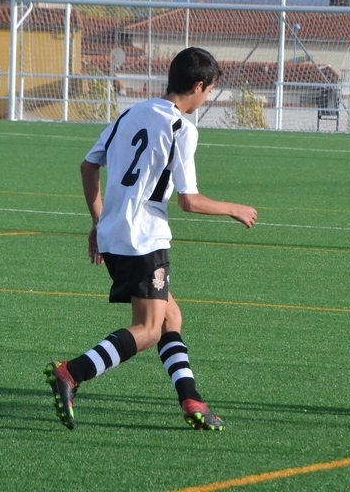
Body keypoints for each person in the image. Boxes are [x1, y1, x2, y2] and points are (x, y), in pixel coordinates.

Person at [44, 47, 257, 431]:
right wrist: (233, 208)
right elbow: (189, 201)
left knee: (171, 317)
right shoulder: (181, 128)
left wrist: (98, 220)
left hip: (113, 235)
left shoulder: (130, 114)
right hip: (144, 238)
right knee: (149, 328)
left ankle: (191, 399)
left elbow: (88, 166)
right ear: (198, 86)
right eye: (209, 91)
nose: (206, 98)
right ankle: (71, 372)